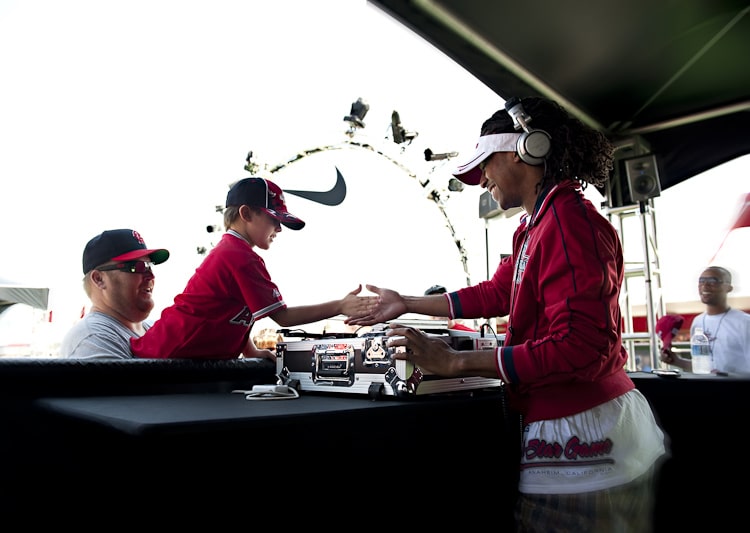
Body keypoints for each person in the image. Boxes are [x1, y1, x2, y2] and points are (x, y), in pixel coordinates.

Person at [348, 96, 669, 532]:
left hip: (591, 449)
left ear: (527, 150)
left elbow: (579, 347)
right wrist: (405, 302)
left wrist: (454, 361)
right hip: (579, 440)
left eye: (486, 165)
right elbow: (498, 292)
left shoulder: (570, 222)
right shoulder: (538, 223)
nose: (482, 181)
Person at [130, 176, 375, 361]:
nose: (279, 229)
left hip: (171, 356)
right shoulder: (239, 256)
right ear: (246, 213)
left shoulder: (233, 252)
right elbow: (283, 317)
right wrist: (340, 306)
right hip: (160, 360)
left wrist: (251, 352)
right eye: (274, 219)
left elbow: (234, 312)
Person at [60, 229, 170, 360]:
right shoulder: (93, 338)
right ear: (99, 279)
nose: (151, 276)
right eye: (136, 267)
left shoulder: (153, 328)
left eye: (149, 266)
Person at [660, 266, 750, 374]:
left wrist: (728, 377)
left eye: (713, 281)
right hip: (706, 389)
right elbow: (701, 369)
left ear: (729, 288)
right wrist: (677, 361)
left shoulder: (744, 323)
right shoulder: (697, 322)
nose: (705, 285)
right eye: (701, 281)